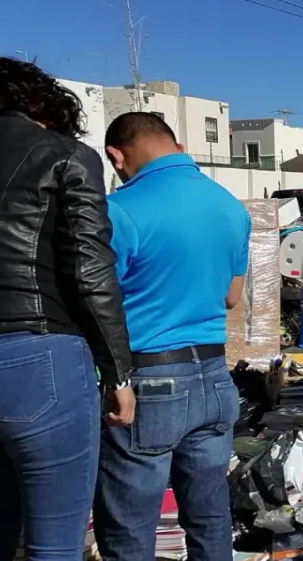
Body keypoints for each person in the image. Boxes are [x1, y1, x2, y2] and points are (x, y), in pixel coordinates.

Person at [0, 57, 135, 561]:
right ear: (51, 109)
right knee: (54, 545)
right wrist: (118, 374)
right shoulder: (65, 154)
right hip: (33, 362)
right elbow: (91, 273)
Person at [93, 112, 250, 561]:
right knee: (209, 517)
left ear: (116, 156)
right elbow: (231, 297)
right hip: (214, 377)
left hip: (146, 380)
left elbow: (97, 302)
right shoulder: (228, 205)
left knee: (127, 528)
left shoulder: (119, 209)